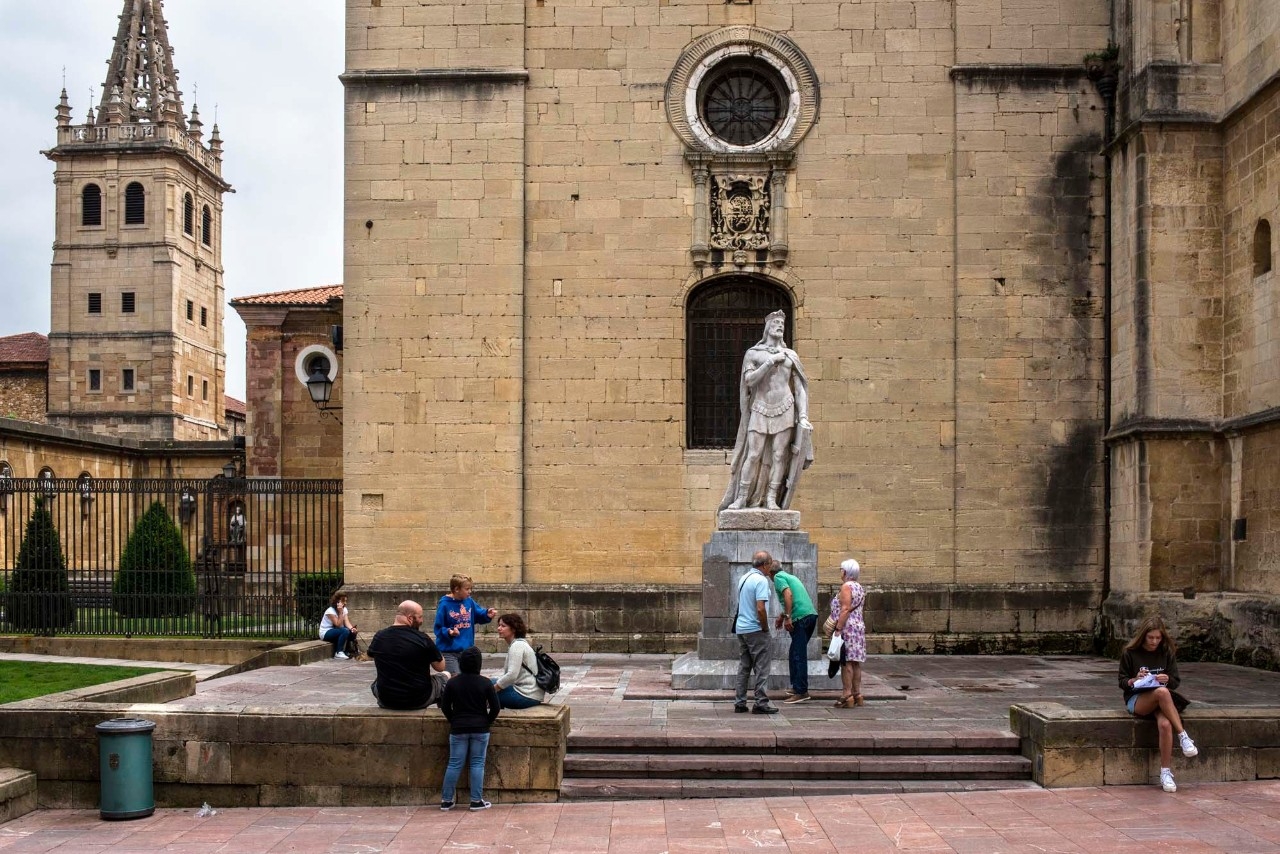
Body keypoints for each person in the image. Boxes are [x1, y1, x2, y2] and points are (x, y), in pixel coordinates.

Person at [719, 310, 813, 512]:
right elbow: (749, 381)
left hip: (785, 407)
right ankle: (741, 498)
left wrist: (803, 416)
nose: (780, 326)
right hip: (760, 407)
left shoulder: (791, 356)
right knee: (753, 454)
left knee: (780, 455)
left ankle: (771, 498)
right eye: (776, 323)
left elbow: (799, 388)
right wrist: (771, 362)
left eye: (782, 323)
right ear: (767, 327)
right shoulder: (753, 353)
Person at [1119, 615, 1198, 793]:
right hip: (1138, 699)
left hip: (1161, 701)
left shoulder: (1166, 652)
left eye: (1158, 638)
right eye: (1150, 638)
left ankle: (1165, 773)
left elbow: (1176, 681)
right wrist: (1134, 679)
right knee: (1162, 692)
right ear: (1143, 636)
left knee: (1164, 724)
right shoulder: (1130, 653)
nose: (1154, 641)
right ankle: (1183, 736)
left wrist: (1167, 678)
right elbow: (1122, 681)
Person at [438, 646, 500, 811]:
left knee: (454, 763)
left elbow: (445, 706)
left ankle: (446, 800)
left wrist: (454, 720)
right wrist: (486, 721)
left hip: (458, 727)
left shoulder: (453, 682)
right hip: (480, 728)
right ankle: (476, 800)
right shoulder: (485, 683)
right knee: (477, 763)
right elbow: (495, 707)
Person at [367, 600, 449, 710]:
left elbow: (370, 654)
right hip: (419, 699)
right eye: (420, 617)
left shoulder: (379, 636)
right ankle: (444, 716)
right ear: (410, 618)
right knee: (446, 675)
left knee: (377, 682)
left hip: (386, 699)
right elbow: (440, 667)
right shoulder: (422, 638)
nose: (422, 621)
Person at [767, 559, 817, 704]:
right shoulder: (790, 576)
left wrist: (788, 617)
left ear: (770, 572)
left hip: (800, 618)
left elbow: (788, 595)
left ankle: (802, 691)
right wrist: (782, 616)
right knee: (794, 652)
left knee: (798, 654)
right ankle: (797, 687)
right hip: (809, 616)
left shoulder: (777, 577)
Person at [733, 551, 778, 714]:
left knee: (744, 666)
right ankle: (761, 702)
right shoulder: (761, 581)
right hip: (755, 629)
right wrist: (765, 627)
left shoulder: (744, 578)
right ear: (765, 565)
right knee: (762, 667)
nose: (771, 568)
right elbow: (760, 608)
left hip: (741, 627)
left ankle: (740, 702)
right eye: (770, 564)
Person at [434, 574, 498, 675]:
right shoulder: (444, 604)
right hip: (449, 652)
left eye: (470, 588)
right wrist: (449, 632)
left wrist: (487, 614)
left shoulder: (469, 601)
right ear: (456, 589)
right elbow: (438, 628)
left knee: (469, 679)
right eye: (467, 589)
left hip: (467, 651)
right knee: (455, 679)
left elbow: (477, 614)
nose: (470, 591)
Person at [830, 558, 867, 708]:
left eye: (841, 569)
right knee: (855, 662)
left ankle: (847, 695)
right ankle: (857, 694)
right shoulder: (859, 587)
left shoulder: (846, 586)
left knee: (846, 663)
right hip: (858, 626)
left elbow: (845, 609)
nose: (840, 572)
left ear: (845, 571)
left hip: (848, 627)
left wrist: (838, 628)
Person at [491, 612, 545, 709]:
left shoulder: (517, 646)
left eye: (503, 626)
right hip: (530, 694)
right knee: (487, 683)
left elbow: (512, 675)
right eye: (499, 625)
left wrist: (493, 689)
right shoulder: (519, 644)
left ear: (513, 629)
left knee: (485, 690)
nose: (499, 628)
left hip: (526, 696)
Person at [318, 591, 357, 660]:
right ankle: (338, 652)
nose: (345, 603)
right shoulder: (330, 611)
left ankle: (347, 651)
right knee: (344, 631)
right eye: (343, 601)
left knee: (351, 631)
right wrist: (340, 612)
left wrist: (352, 629)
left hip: (336, 631)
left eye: (346, 601)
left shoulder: (344, 609)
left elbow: (347, 622)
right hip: (326, 632)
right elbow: (338, 625)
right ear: (338, 601)